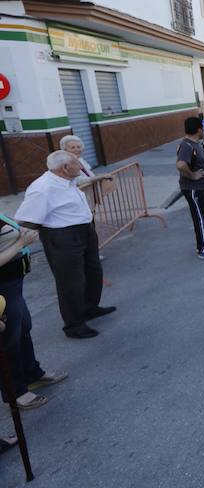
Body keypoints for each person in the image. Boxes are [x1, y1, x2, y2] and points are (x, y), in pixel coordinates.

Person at [15, 151, 117, 338]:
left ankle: (89, 308)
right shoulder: (42, 188)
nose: (81, 166)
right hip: (63, 237)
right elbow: (25, 219)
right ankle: (74, 325)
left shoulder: (67, 180)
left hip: (84, 231)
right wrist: (49, 232)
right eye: (77, 163)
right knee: (71, 282)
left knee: (93, 272)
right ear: (65, 167)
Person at [0, 214, 67, 410]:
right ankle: (16, 392)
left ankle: (31, 373)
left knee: (23, 327)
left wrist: (22, 233)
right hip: (3, 287)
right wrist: (22, 241)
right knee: (8, 339)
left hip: (13, 283)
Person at [176, 117, 204, 261]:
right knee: (200, 218)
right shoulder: (186, 145)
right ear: (198, 130)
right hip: (194, 188)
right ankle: (203, 249)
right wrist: (193, 175)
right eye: (202, 127)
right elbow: (181, 165)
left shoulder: (194, 144)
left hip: (202, 188)